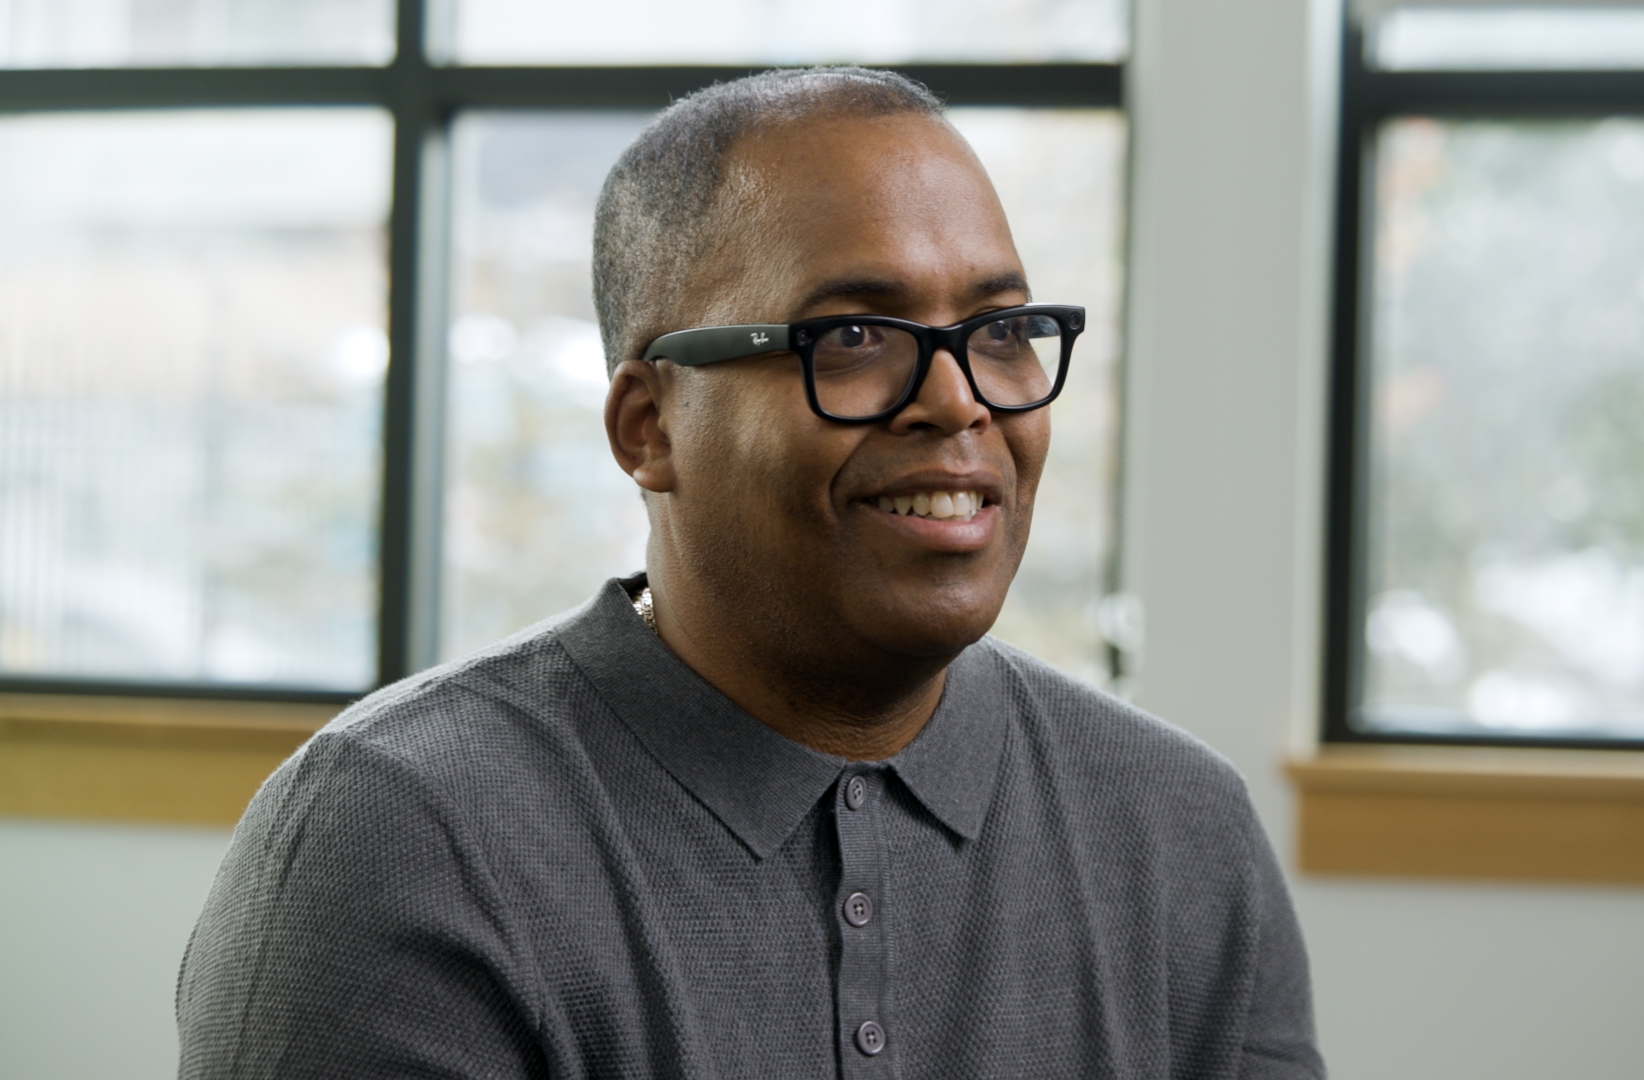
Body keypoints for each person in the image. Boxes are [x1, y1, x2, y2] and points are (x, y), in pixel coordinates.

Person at [176, 66, 1324, 1079]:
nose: (960, 399)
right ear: (649, 427)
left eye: (1000, 330)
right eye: (854, 339)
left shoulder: (1180, 829)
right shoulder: (402, 834)